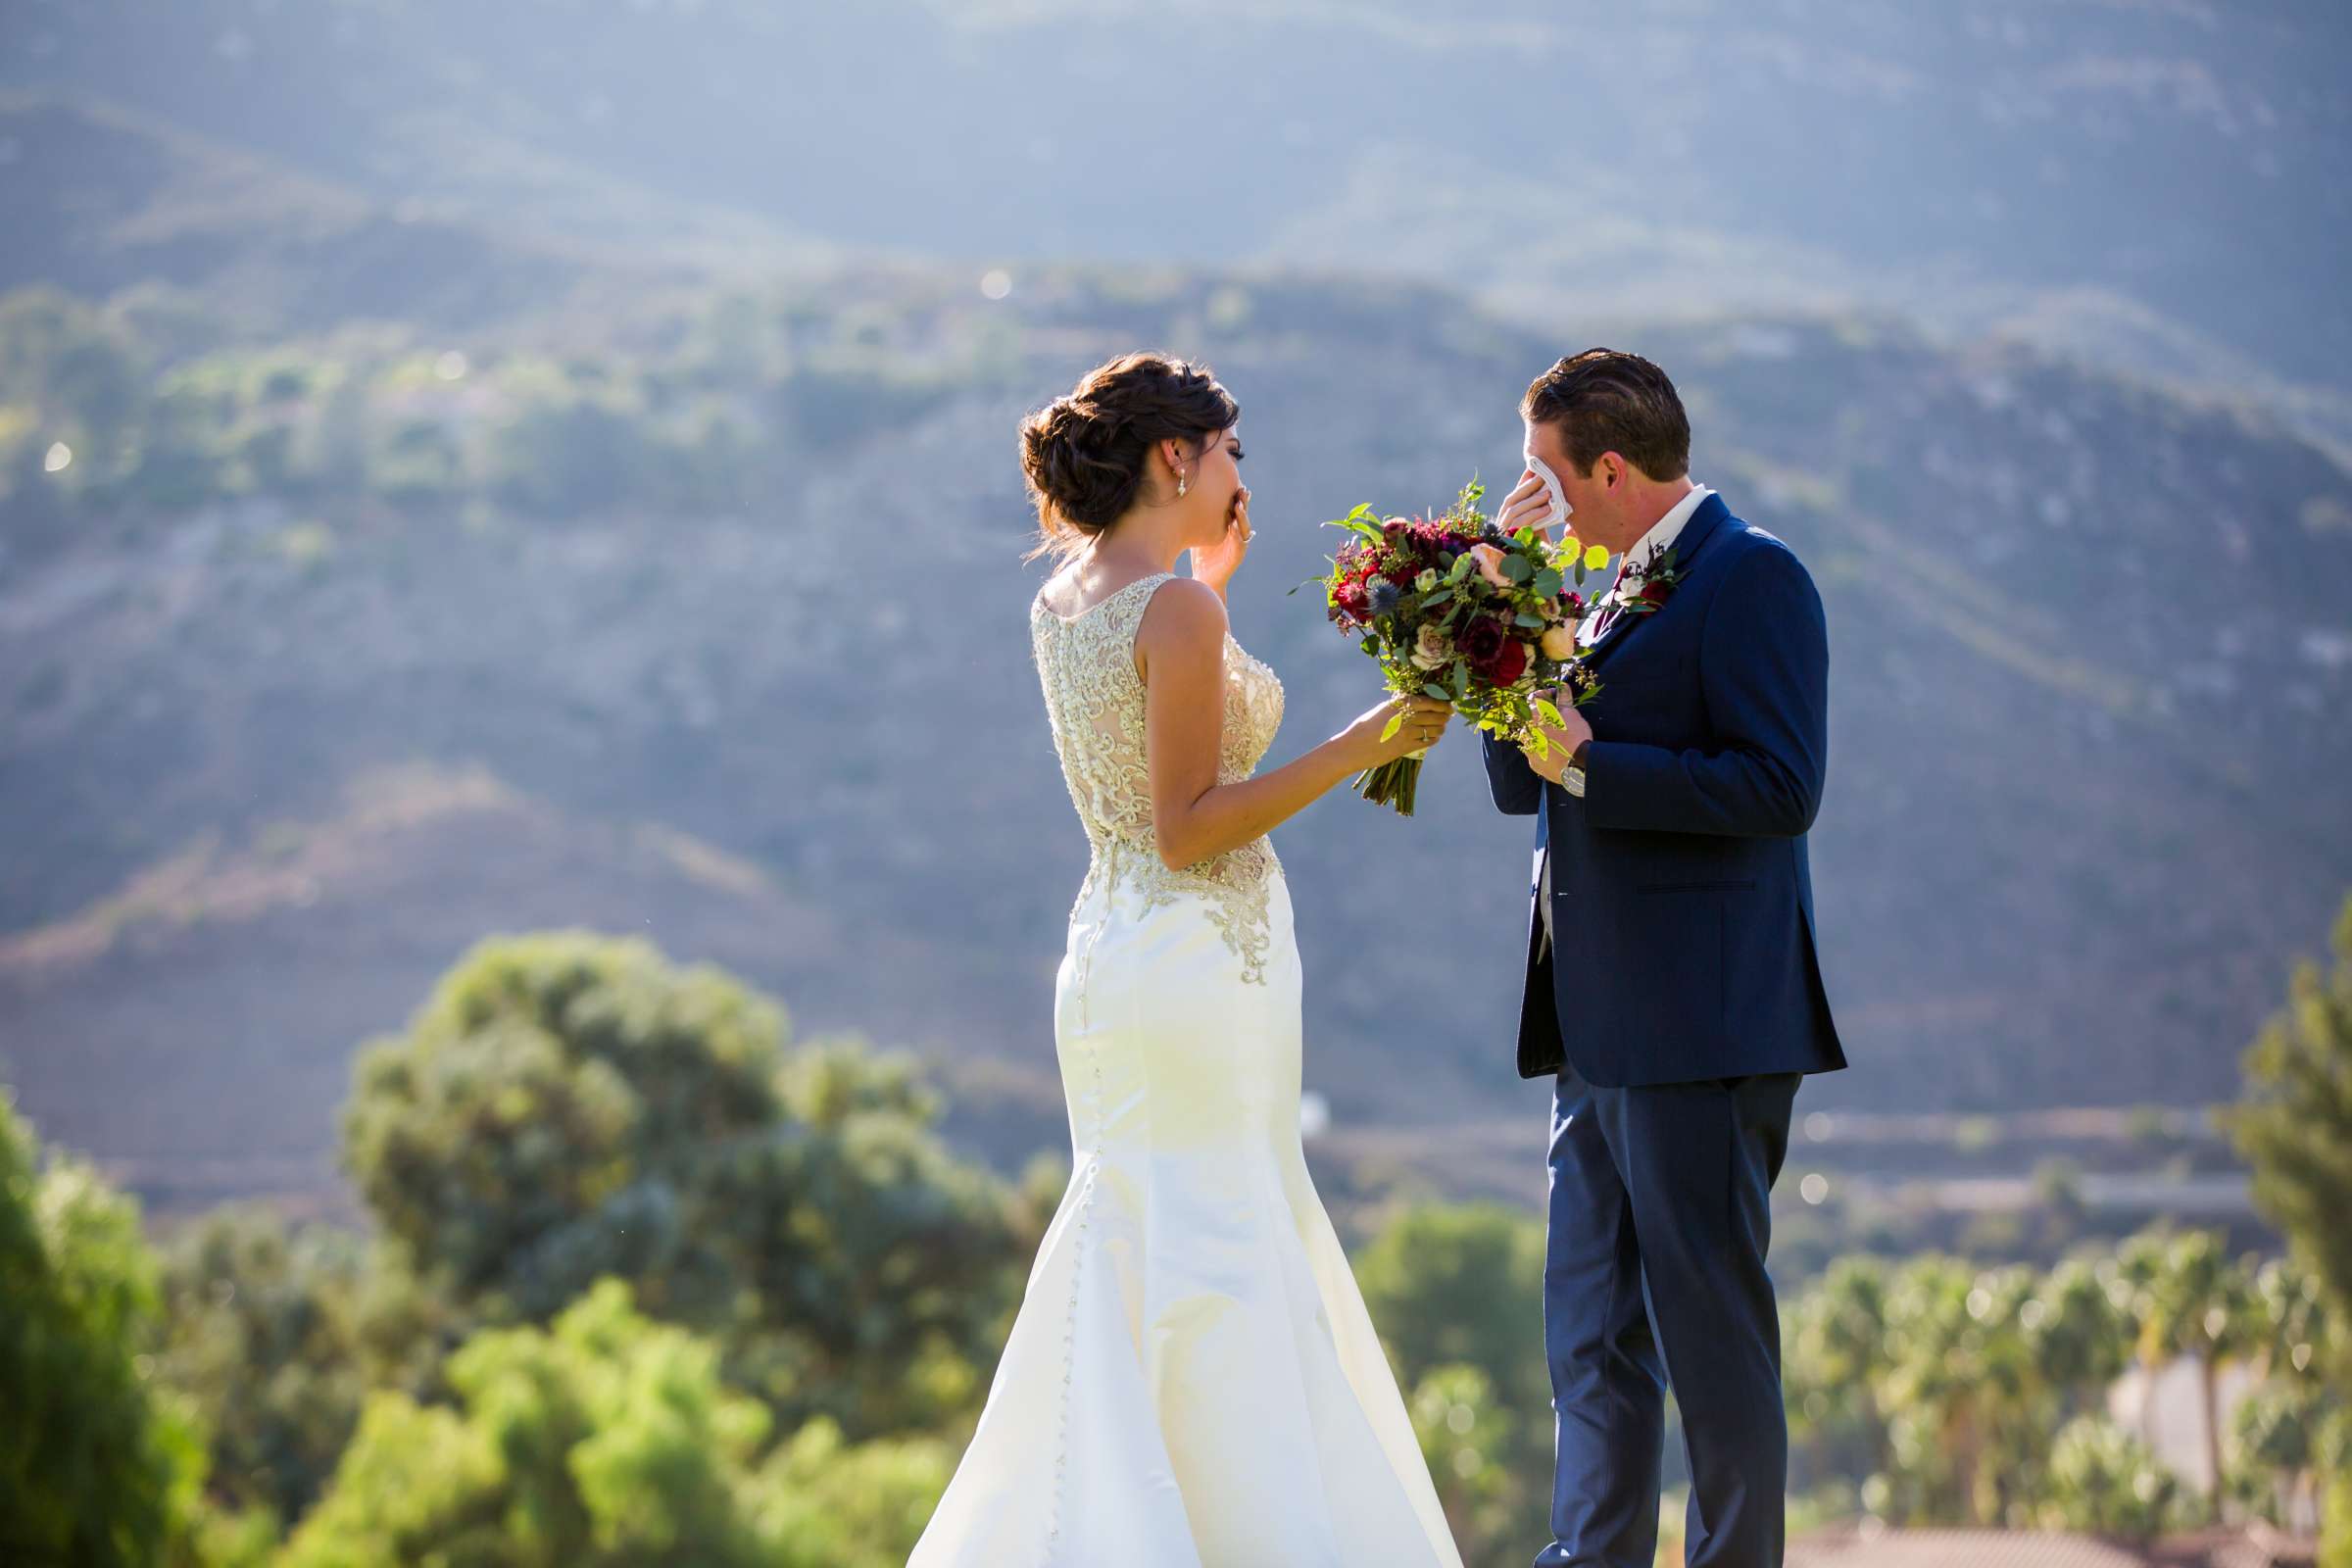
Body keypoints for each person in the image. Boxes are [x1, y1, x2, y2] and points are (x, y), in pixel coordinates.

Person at [907, 350, 1464, 1568]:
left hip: (1115, 955)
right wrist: (1364, 741)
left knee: (1149, 1227)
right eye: (1230, 452)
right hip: (1199, 965)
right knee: (1220, 1230)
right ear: (1177, 455)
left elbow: (1140, 741)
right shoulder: (1179, 610)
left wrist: (1208, 573)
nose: (1237, 474)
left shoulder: (1073, 596)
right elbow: (1191, 820)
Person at [1482, 349, 1848, 1568]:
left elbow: (1781, 786)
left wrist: (1590, 761)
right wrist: (1498, 613)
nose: (1528, 498)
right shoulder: (1588, 592)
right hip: (1588, 1026)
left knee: (1710, 1340)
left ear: (1612, 468)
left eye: (1541, 476)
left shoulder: (1755, 576)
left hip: (1703, 1028)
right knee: (1587, 1337)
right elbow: (1512, 781)